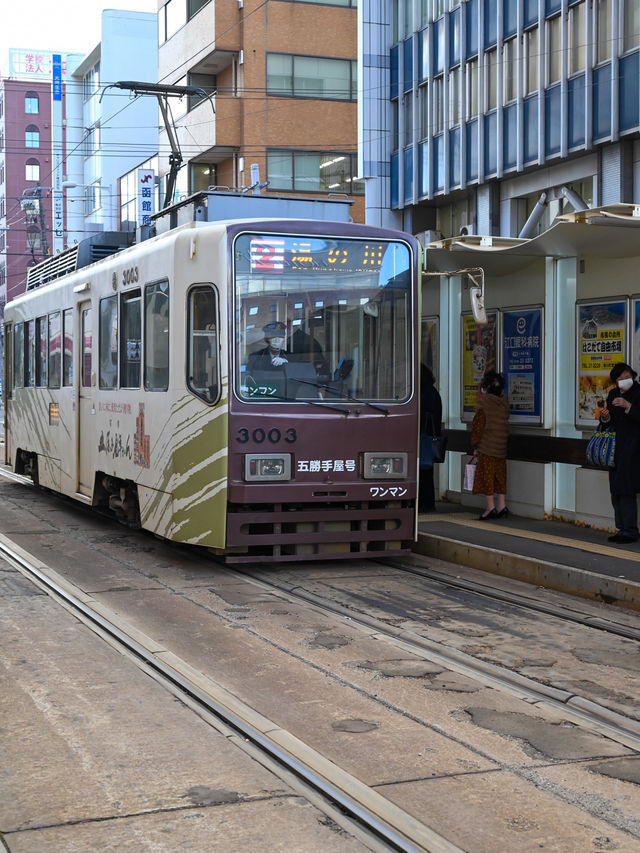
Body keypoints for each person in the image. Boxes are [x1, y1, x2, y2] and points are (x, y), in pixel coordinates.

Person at [599, 362, 640, 543]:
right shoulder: (613, 393)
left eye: (627, 377)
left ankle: (630, 531)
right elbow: (609, 422)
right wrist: (605, 416)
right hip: (615, 448)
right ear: (615, 381)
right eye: (621, 378)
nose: (625, 380)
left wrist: (628, 405)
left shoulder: (638, 392)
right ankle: (621, 528)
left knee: (627, 489)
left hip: (634, 448)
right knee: (615, 488)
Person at [471, 369, 510, 520]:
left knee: (487, 477)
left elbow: (478, 428)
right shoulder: (504, 404)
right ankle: (502, 505)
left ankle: (490, 507)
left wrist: (475, 445)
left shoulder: (484, 405)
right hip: (501, 448)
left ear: (486, 387)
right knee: (500, 477)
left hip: (487, 447)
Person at [418, 365, 443, 513]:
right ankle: (427, 503)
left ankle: (425, 503)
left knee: (423, 472)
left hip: (424, 438)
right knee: (427, 472)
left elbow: (423, 416)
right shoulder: (433, 392)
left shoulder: (424, 393)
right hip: (429, 437)